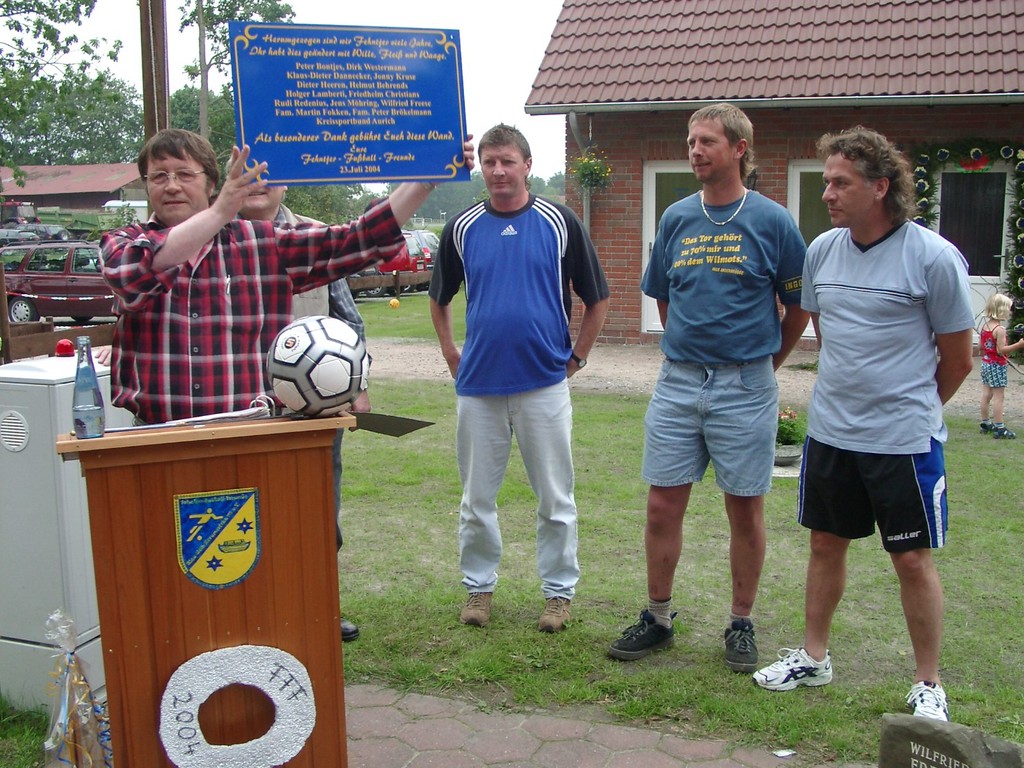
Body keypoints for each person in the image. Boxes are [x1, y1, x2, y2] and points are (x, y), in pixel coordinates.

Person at [752, 127, 974, 722]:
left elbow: (958, 360)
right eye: (826, 182)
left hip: (903, 441)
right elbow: (830, 336)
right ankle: (813, 657)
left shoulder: (932, 257)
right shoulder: (822, 251)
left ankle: (928, 682)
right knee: (825, 545)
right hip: (831, 435)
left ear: (880, 186)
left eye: (840, 183)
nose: (827, 193)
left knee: (912, 559)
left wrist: (912, 409)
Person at [608, 103, 808, 672]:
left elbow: (798, 307)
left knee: (744, 509)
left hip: (746, 384)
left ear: (739, 148)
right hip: (677, 382)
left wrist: (764, 365)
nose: (695, 150)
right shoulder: (676, 218)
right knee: (661, 506)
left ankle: (741, 623)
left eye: (707, 142)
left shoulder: (773, 221)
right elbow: (663, 297)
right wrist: (689, 352)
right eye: (691, 141)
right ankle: (658, 618)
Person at [101, 127, 472, 426]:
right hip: (157, 439)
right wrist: (220, 212)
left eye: (184, 174)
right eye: (158, 176)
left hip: (255, 435)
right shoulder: (123, 243)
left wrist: (425, 180)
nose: (171, 185)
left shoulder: (262, 242)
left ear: (211, 184)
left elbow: (359, 238)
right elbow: (134, 275)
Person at [428, 123, 609, 633]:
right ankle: (479, 588)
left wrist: (576, 359)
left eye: (508, 161)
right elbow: (439, 298)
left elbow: (597, 299)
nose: (498, 171)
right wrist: (450, 352)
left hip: (543, 384)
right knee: (476, 500)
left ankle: (558, 594)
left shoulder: (559, 221)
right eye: (489, 162)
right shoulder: (462, 226)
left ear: (527, 165)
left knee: (555, 499)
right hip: (478, 388)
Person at [237, 183, 370, 642]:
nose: (259, 183)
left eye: (269, 173)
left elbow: (349, 322)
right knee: (244, 516)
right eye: (249, 171)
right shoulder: (209, 237)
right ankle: (250, 613)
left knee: (316, 511)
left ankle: (319, 606)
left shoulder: (315, 236)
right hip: (238, 412)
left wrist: (359, 386)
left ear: (286, 181)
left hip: (312, 417)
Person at [978, 292, 1023, 439]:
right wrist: (1019, 345)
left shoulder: (985, 327)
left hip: (986, 364)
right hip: (997, 366)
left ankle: (985, 423)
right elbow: (1001, 350)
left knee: (986, 394)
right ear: (1002, 310)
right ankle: (1000, 428)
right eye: (1009, 309)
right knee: (999, 397)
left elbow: (980, 346)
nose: (1010, 312)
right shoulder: (1000, 330)